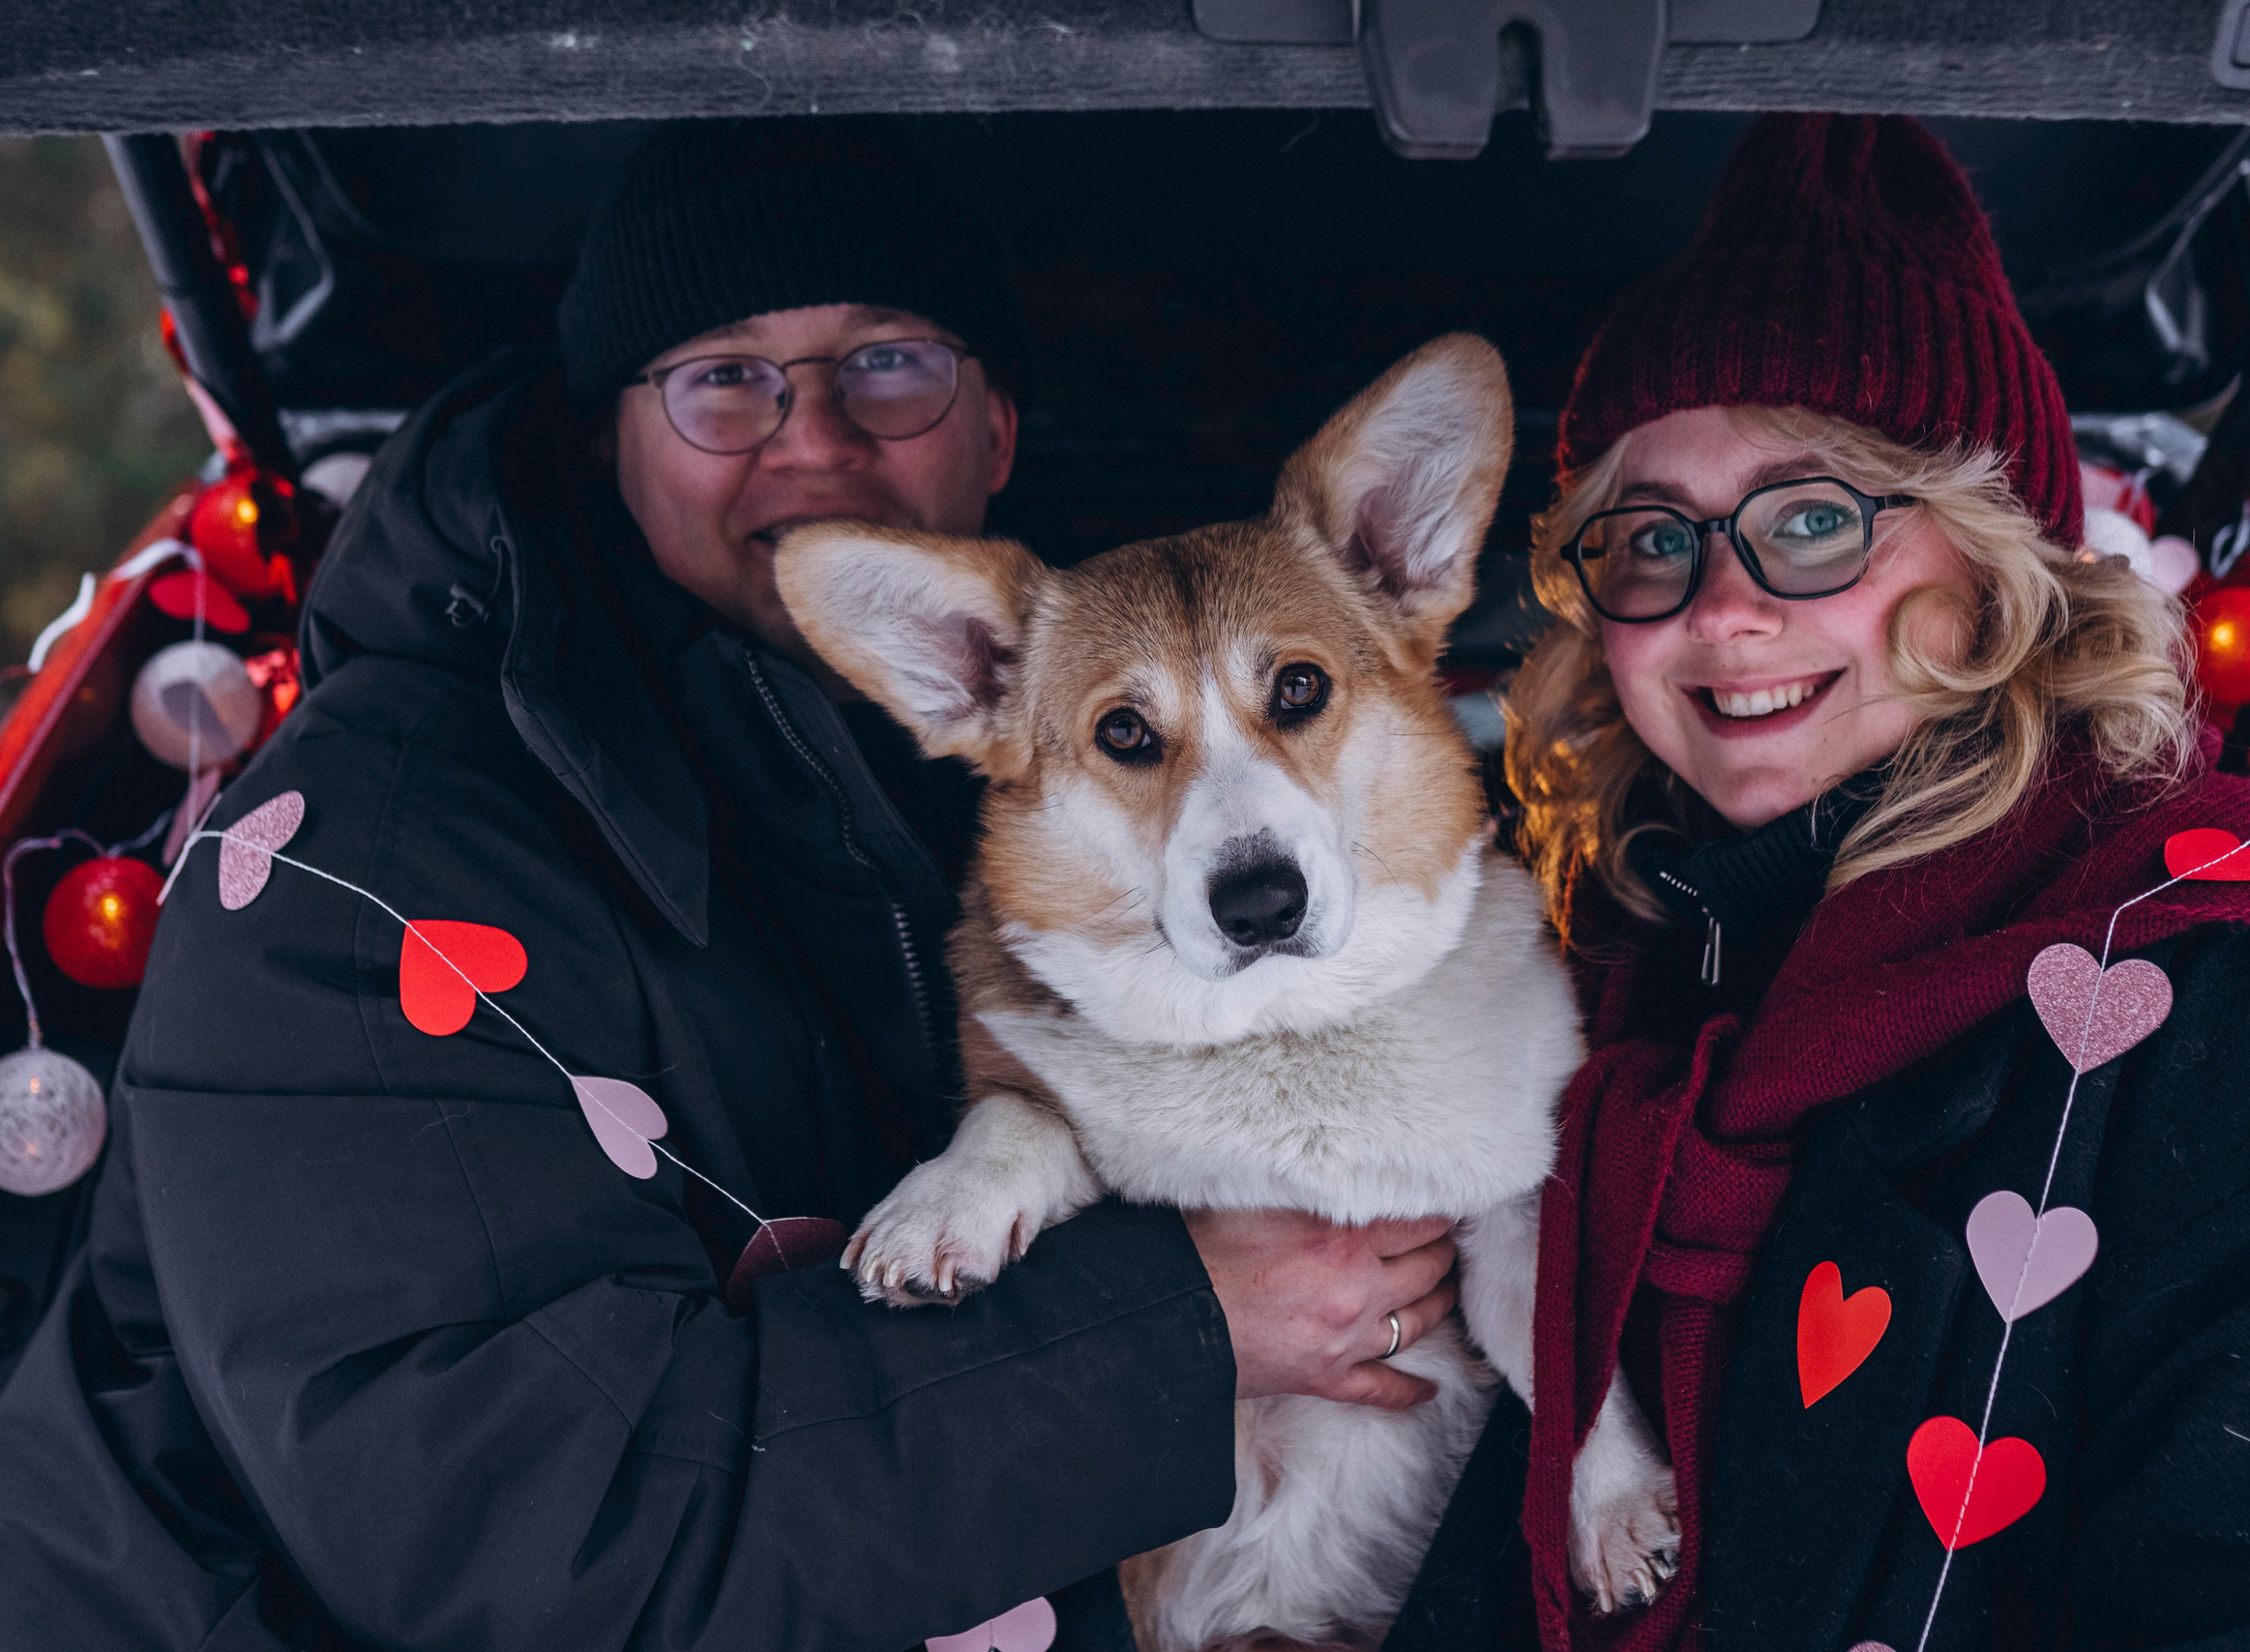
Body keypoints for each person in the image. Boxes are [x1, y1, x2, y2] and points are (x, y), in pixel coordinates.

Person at [0, 118, 1461, 1651]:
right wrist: (1190, 1326)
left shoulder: (1010, 779)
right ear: (606, 438)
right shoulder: (375, 857)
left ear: (997, 433)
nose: (815, 437)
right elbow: (539, 1539)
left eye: (889, 363)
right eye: (723, 378)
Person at [1488, 115, 2250, 1650]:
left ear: (2002, 559)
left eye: (1814, 521)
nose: (1725, 608)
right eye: (1651, 540)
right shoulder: (1580, 999)